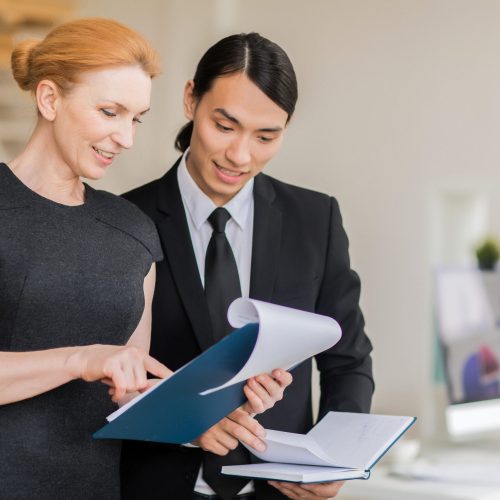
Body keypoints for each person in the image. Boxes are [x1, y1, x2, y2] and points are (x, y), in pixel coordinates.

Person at [0, 20, 290, 500]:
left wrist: (218, 405)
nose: (125, 138)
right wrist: (80, 359)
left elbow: (131, 390)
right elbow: (96, 363)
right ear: (49, 99)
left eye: (135, 119)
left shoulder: (132, 230)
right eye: (109, 112)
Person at [122, 32, 374, 500]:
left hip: (279, 490)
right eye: (225, 126)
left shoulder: (316, 220)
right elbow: (105, 377)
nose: (240, 155)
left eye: (266, 136)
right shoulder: (122, 221)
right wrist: (184, 424)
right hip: (157, 487)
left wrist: (336, 457)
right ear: (191, 99)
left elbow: (349, 361)